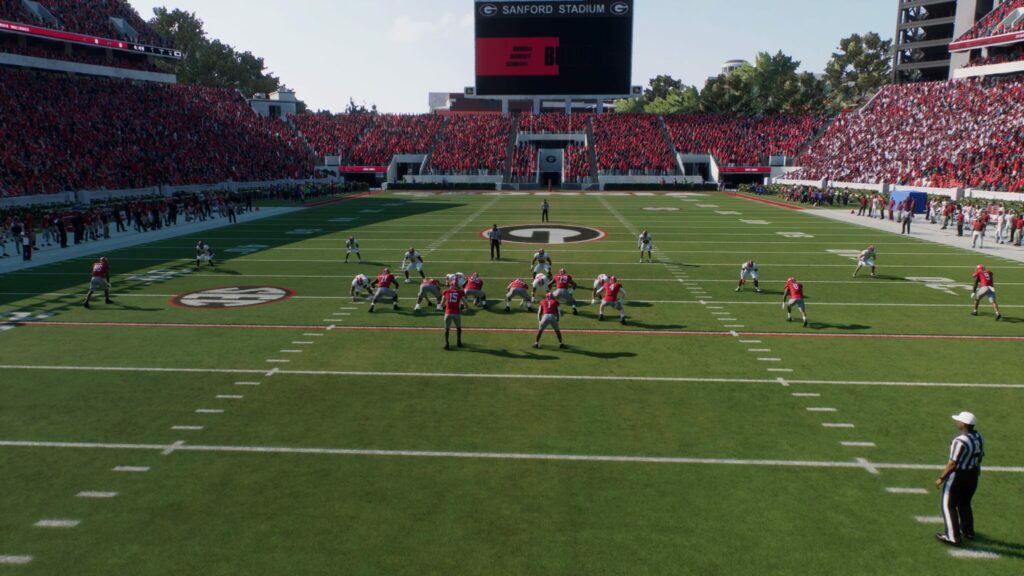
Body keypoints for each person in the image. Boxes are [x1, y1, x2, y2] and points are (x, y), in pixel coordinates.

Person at [935, 411, 984, 547]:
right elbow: (980, 456)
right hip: (973, 474)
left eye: (959, 421)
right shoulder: (979, 437)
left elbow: (953, 463)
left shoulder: (959, 441)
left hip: (959, 477)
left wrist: (941, 478)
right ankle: (968, 531)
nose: (957, 422)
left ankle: (953, 537)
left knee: (948, 505)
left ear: (964, 424)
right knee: (964, 503)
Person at [441, 279, 467, 350]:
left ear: (450, 285)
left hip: (448, 313)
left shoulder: (446, 291)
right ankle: (459, 342)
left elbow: (441, 304)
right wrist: (464, 309)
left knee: (447, 328)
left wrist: (445, 307)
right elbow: (465, 303)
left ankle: (446, 344)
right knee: (458, 328)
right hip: (456, 313)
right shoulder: (460, 292)